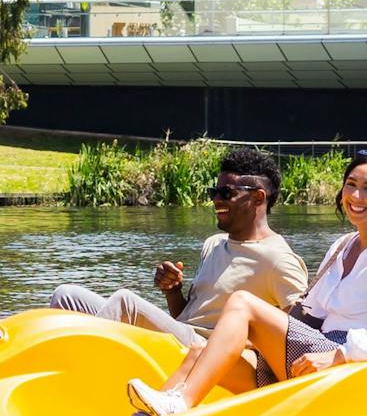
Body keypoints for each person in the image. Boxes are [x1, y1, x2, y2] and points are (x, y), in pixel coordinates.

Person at [126, 150, 367, 416]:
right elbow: (308, 313)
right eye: (351, 185)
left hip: (343, 370)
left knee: (243, 302)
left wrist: (338, 355)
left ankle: (180, 404)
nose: (356, 197)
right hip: (312, 356)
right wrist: (252, 336)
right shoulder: (343, 246)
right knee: (197, 352)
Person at [49, 146, 307, 348]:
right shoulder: (213, 244)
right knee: (66, 295)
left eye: (226, 193)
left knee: (125, 302)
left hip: (208, 352)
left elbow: (303, 334)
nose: (216, 199)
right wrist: (172, 291)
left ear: (257, 197)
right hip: (180, 336)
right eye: (213, 192)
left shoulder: (278, 259)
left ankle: (81, 373)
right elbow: (187, 316)